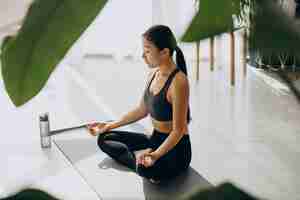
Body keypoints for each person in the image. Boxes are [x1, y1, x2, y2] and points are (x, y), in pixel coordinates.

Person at [87, 25, 192, 184]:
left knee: (147, 169)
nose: (143, 55)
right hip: (155, 139)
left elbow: (178, 131)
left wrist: (156, 155)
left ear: (164, 52)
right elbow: (142, 110)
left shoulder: (179, 82)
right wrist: (109, 125)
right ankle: (142, 160)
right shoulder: (153, 74)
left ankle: (144, 163)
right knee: (105, 138)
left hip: (177, 149)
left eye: (148, 51)